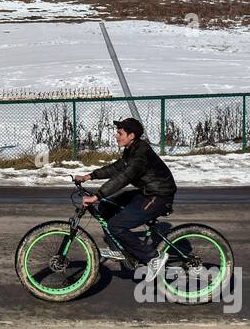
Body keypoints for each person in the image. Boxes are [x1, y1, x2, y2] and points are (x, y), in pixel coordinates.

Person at [74, 117, 177, 282]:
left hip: (159, 196)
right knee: (106, 207)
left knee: (116, 225)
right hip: (147, 192)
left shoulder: (140, 154)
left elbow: (124, 177)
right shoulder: (132, 149)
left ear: (132, 135)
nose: (116, 136)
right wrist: (89, 176)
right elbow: (117, 168)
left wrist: (97, 195)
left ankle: (153, 257)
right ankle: (118, 248)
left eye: (120, 133)